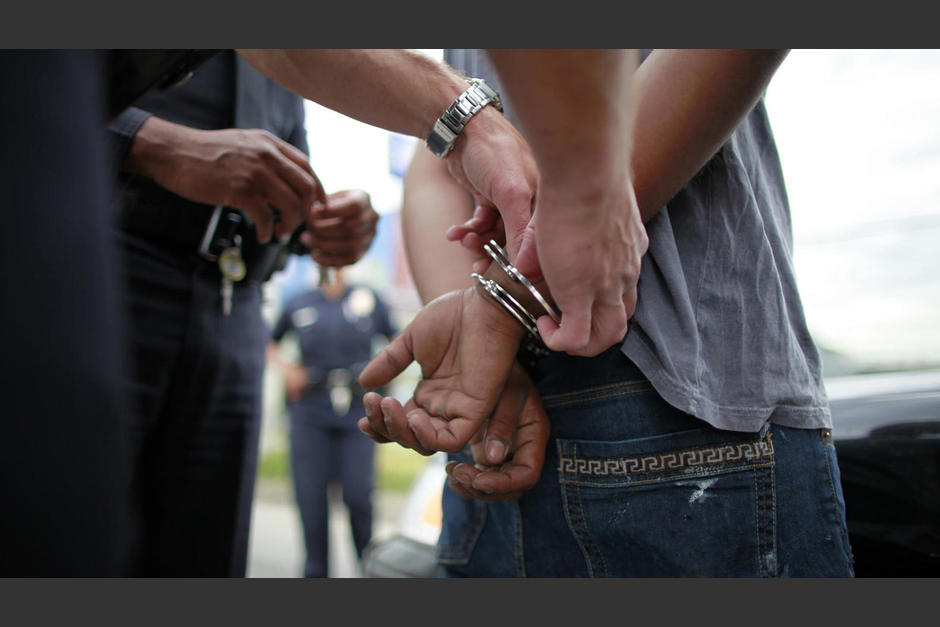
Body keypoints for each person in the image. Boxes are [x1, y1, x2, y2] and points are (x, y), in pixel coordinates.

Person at [359, 49, 856, 577]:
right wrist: (483, 345)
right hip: (576, 395)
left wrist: (489, 318)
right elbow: (436, 160)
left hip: (670, 395)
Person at [108, 50, 380, 576]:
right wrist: (150, 143)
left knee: (204, 557)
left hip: (235, 307)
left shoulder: (282, 53)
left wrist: (329, 223)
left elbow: (288, 190)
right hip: (111, 274)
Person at [267, 266, 395, 577]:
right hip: (310, 410)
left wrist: (380, 375)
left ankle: (367, 569)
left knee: (358, 496)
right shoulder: (300, 301)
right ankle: (315, 571)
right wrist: (288, 371)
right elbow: (269, 341)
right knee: (311, 500)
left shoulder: (368, 299)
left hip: (356, 411)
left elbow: (397, 341)